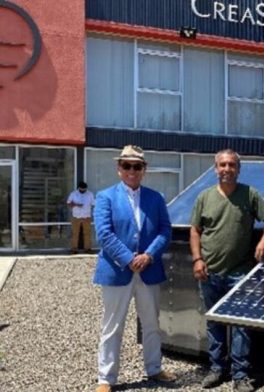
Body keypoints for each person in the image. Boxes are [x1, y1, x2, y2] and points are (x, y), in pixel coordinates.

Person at [190, 149, 264, 390]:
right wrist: (197, 259)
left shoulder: (249, 195)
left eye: (231, 165)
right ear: (215, 169)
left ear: (238, 169)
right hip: (209, 272)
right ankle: (217, 369)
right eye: (222, 165)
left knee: (241, 325)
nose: (227, 169)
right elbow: (195, 230)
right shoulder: (205, 197)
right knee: (214, 323)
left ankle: (240, 375)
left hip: (240, 272)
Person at [92, 145, 176, 392]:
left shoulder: (156, 197)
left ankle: (154, 368)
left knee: (151, 324)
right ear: (119, 169)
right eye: (126, 165)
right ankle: (106, 378)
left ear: (144, 170)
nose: (132, 170)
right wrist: (130, 258)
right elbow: (104, 234)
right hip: (117, 271)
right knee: (112, 327)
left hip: (148, 271)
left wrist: (149, 256)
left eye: (136, 166)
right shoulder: (105, 197)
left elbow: (165, 230)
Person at [67, 181, 95, 253]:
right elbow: (69, 203)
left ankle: (88, 248)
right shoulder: (73, 194)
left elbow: (93, 203)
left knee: (87, 233)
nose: (83, 190)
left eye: (84, 189)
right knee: (75, 233)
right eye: (82, 189)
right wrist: (76, 204)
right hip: (76, 216)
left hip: (86, 216)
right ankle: (74, 249)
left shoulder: (90, 194)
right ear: (79, 188)